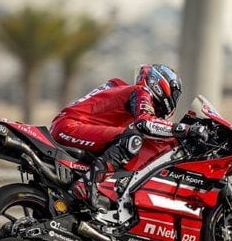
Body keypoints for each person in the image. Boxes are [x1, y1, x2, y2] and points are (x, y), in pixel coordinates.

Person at [50, 63, 206, 213]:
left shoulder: (123, 90)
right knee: (133, 139)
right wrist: (186, 129)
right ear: (160, 83)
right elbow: (145, 123)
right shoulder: (141, 91)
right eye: (175, 94)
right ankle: (85, 186)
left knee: (132, 138)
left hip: (70, 126)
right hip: (70, 127)